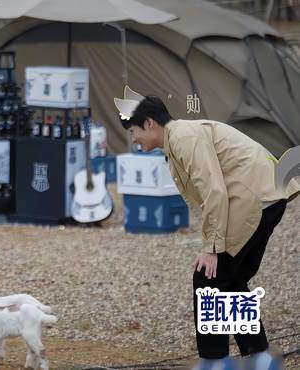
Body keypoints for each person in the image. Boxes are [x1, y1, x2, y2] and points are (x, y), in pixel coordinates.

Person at [115, 87, 299, 368]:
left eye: (133, 130)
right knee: (231, 280)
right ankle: (258, 355)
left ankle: (215, 361)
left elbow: (215, 191)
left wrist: (212, 248)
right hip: (264, 197)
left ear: (149, 123)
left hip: (253, 199)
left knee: (208, 279)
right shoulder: (178, 139)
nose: (133, 138)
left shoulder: (183, 137)